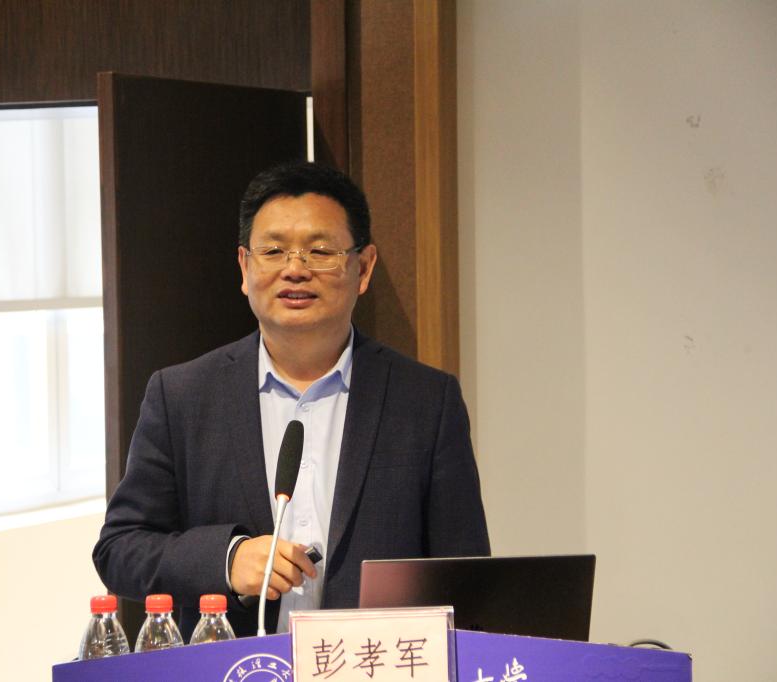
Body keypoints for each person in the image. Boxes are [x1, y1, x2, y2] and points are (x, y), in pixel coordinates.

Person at [93, 161, 489, 639]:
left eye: (320, 251)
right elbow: (120, 549)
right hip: (237, 666)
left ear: (363, 268)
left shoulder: (426, 401)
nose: (295, 269)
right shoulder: (182, 396)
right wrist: (227, 559)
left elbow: (466, 577)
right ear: (245, 267)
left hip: (373, 665)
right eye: (274, 251)